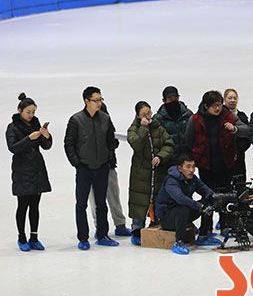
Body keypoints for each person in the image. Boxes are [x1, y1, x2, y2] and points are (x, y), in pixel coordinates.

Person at [64, 86, 119, 250]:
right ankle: (83, 238)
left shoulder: (105, 118)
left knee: (101, 203)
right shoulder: (76, 120)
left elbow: (111, 141)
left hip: (102, 167)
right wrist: (77, 163)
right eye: (96, 100)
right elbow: (69, 144)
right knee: (81, 204)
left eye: (101, 99)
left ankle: (102, 235)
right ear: (86, 101)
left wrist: (108, 158)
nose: (99, 103)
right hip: (84, 169)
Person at [185, 90, 244, 243]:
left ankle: (225, 225)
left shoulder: (228, 116)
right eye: (214, 106)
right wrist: (197, 155)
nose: (218, 108)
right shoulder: (195, 119)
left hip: (225, 165)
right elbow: (189, 140)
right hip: (206, 166)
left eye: (219, 105)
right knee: (208, 197)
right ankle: (206, 229)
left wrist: (235, 129)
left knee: (225, 196)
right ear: (206, 106)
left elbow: (246, 130)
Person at [5, 93, 52, 252]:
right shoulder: (12, 127)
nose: (31, 115)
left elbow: (46, 146)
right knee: (22, 205)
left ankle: (34, 237)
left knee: (35, 206)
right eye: (28, 112)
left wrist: (47, 136)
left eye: (33, 112)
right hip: (22, 171)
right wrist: (29, 139)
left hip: (37, 169)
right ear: (20, 111)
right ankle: (21, 237)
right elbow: (13, 147)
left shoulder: (36, 124)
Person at [127, 101, 175, 246]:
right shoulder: (133, 129)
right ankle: (136, 229)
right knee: (139, 201)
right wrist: (143, 128)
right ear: (138, 116)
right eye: (144, 114)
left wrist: (161, 156)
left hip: (158, 173)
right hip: (140, 175)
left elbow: (169, 144)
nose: (148, 116)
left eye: (149, 113)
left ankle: (156, 225)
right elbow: (136, 144)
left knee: (157, 200)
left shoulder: (158, 128)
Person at [155, 155, 215, 255]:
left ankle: (203, 236)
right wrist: (199, 206)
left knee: (208, 202)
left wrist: (215, 197)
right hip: (167, 218)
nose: (191, 170)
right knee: (183, 207)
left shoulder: (193, 178)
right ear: (180, 168)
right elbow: (180, 198)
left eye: (193, 166)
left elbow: (205, 189)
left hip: (183, 215)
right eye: (188, 166)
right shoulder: (171, 180)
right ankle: (178, 242)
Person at [87, 102, 130, 237]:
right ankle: (99, 227)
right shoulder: (84, 121)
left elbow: (113, 141)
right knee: (94, 199)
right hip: (91, 167)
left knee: (113, 196)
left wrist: (111, 142)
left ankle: (120, 224)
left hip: (108, 165)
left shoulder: (106, 119)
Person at [153, 86, 193, 165]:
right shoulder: (158, 119)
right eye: (170, 98)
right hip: (168, 160)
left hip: (187, 159)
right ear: (164, 100)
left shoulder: (187, 114)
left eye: (176, 98)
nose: (173, 100)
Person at [223, 88, 251, 180]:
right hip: (223, 157)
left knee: (240, 181)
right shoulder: (220, 115)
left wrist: (238, 150)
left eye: (235, 98)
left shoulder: (242, 116)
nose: (232, 100)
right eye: (230, 98)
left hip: (239, 156)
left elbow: (248, 136)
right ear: (224, 99)